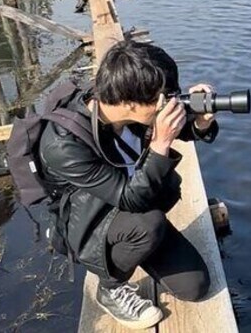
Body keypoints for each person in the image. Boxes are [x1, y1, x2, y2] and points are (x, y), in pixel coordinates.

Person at [38, 40, 219, 329]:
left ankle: (139, 239)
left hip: (130, 207)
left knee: (194, 287)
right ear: (131, 102)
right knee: (149, 224)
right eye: (164, 97)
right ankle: (110, 287)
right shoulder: (62, 144)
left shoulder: (128, 108)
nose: (170, 102)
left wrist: (202, 121)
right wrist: (160, 142)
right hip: (89, 221)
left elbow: (181, 129)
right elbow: (130, 199)